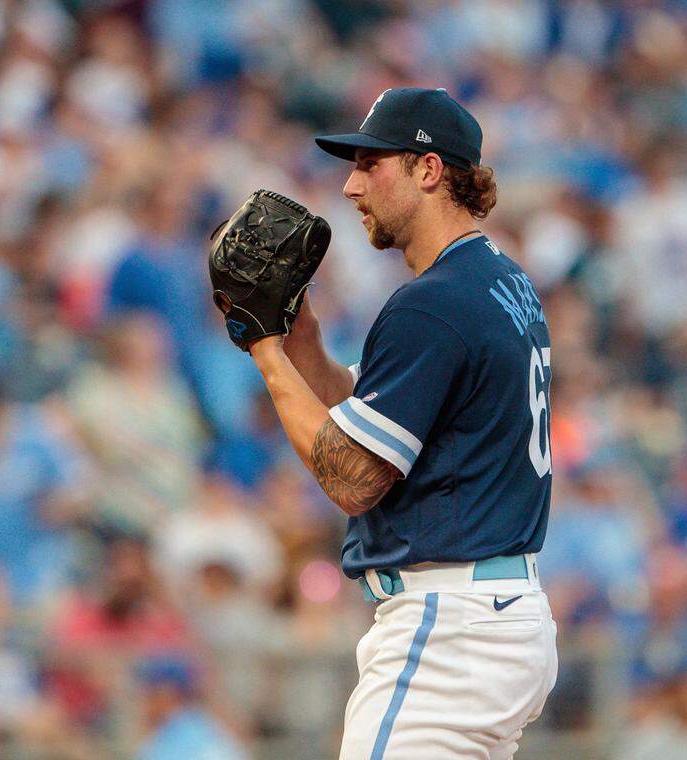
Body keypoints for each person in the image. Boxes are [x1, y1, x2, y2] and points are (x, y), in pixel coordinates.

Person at [241, 88, 558, 758]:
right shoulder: (499, 282)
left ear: (430, 170)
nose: (352, 185)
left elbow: (353, 476)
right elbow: (368, 410)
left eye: (372, 163)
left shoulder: (433, 304)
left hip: (450, 628)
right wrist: (298, 336)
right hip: (498, 616)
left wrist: (263, 349)